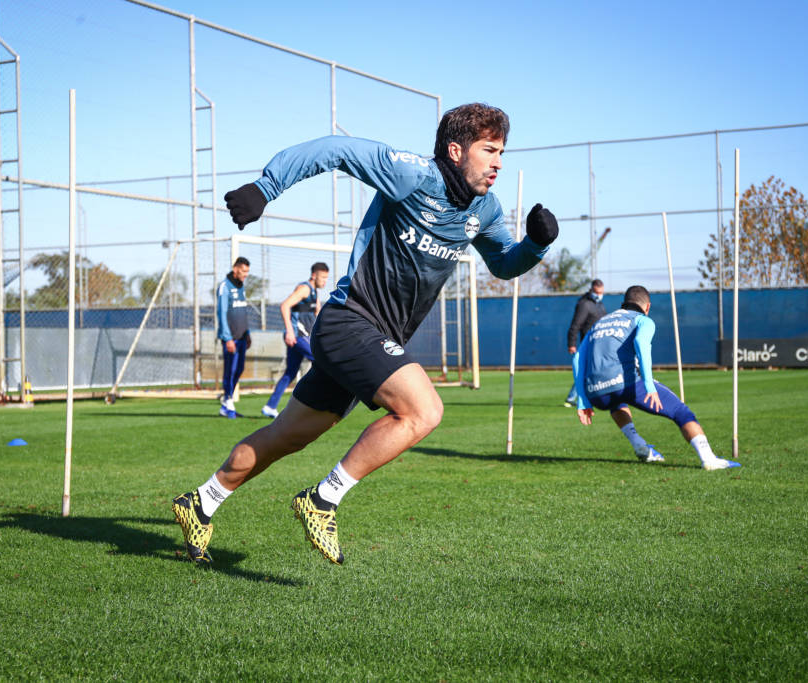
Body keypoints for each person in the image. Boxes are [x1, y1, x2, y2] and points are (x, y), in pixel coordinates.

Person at [173, 102, 558, 566]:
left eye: (501, 153)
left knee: (287, 436)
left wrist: (535, 245)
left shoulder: (485, 209)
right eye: (489, 151)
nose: (498, 163)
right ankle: (323, 500)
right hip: (349, 320)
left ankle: (202, 501)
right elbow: (335, 149)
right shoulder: (412, 175)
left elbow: (503, 263)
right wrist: (265, 187)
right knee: (424, 410)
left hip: (373, 337)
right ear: (456, 151)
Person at [572, 284, 740, 471]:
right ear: (647, 307)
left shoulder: (599, 323)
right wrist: (649, 385)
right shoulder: (643, 320)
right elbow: (640, 342)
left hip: (597, 394)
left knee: (616, 403)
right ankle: (709, 459)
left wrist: (582, 401)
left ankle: (640, 446)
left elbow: (578, 359)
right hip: (627, 384)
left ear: (624, 303)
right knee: (681, 412)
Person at [261, 262, 330, 419]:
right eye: (323, 277)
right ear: (314, 275)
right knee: (321, 362)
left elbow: (317, 313)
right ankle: (316, 403)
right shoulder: (304, 289)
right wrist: (290, 331)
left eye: (327, 277)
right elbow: (285, 306)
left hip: (303, 335)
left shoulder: (314, 292)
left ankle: (270, 406)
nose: (325, 281)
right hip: (297, 336)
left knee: (290, 372)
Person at [217, 257, 251, 418]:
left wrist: (248, 333)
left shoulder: (241, 287)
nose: (246, 274)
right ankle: (228, 402)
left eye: (247, 272)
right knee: (230, 370)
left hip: (242, 337)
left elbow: (243, 312)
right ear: (235, 269)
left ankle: (227, 400)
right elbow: (221, 313)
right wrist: (227, 338)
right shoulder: (224, 286)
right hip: (231, 338)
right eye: (243, 271)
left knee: (239, 369)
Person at [565, 278, 606, 406]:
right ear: (591, 290)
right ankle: (574, 397)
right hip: (589, 344)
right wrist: (572, 344)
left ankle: (575, 397)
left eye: (601, 292)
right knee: (587, 372)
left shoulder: (599, 304)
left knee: (590, 371)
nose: (599, 295)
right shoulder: (584, 304)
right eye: (597, 292)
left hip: (600, 344)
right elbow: (575, 325)